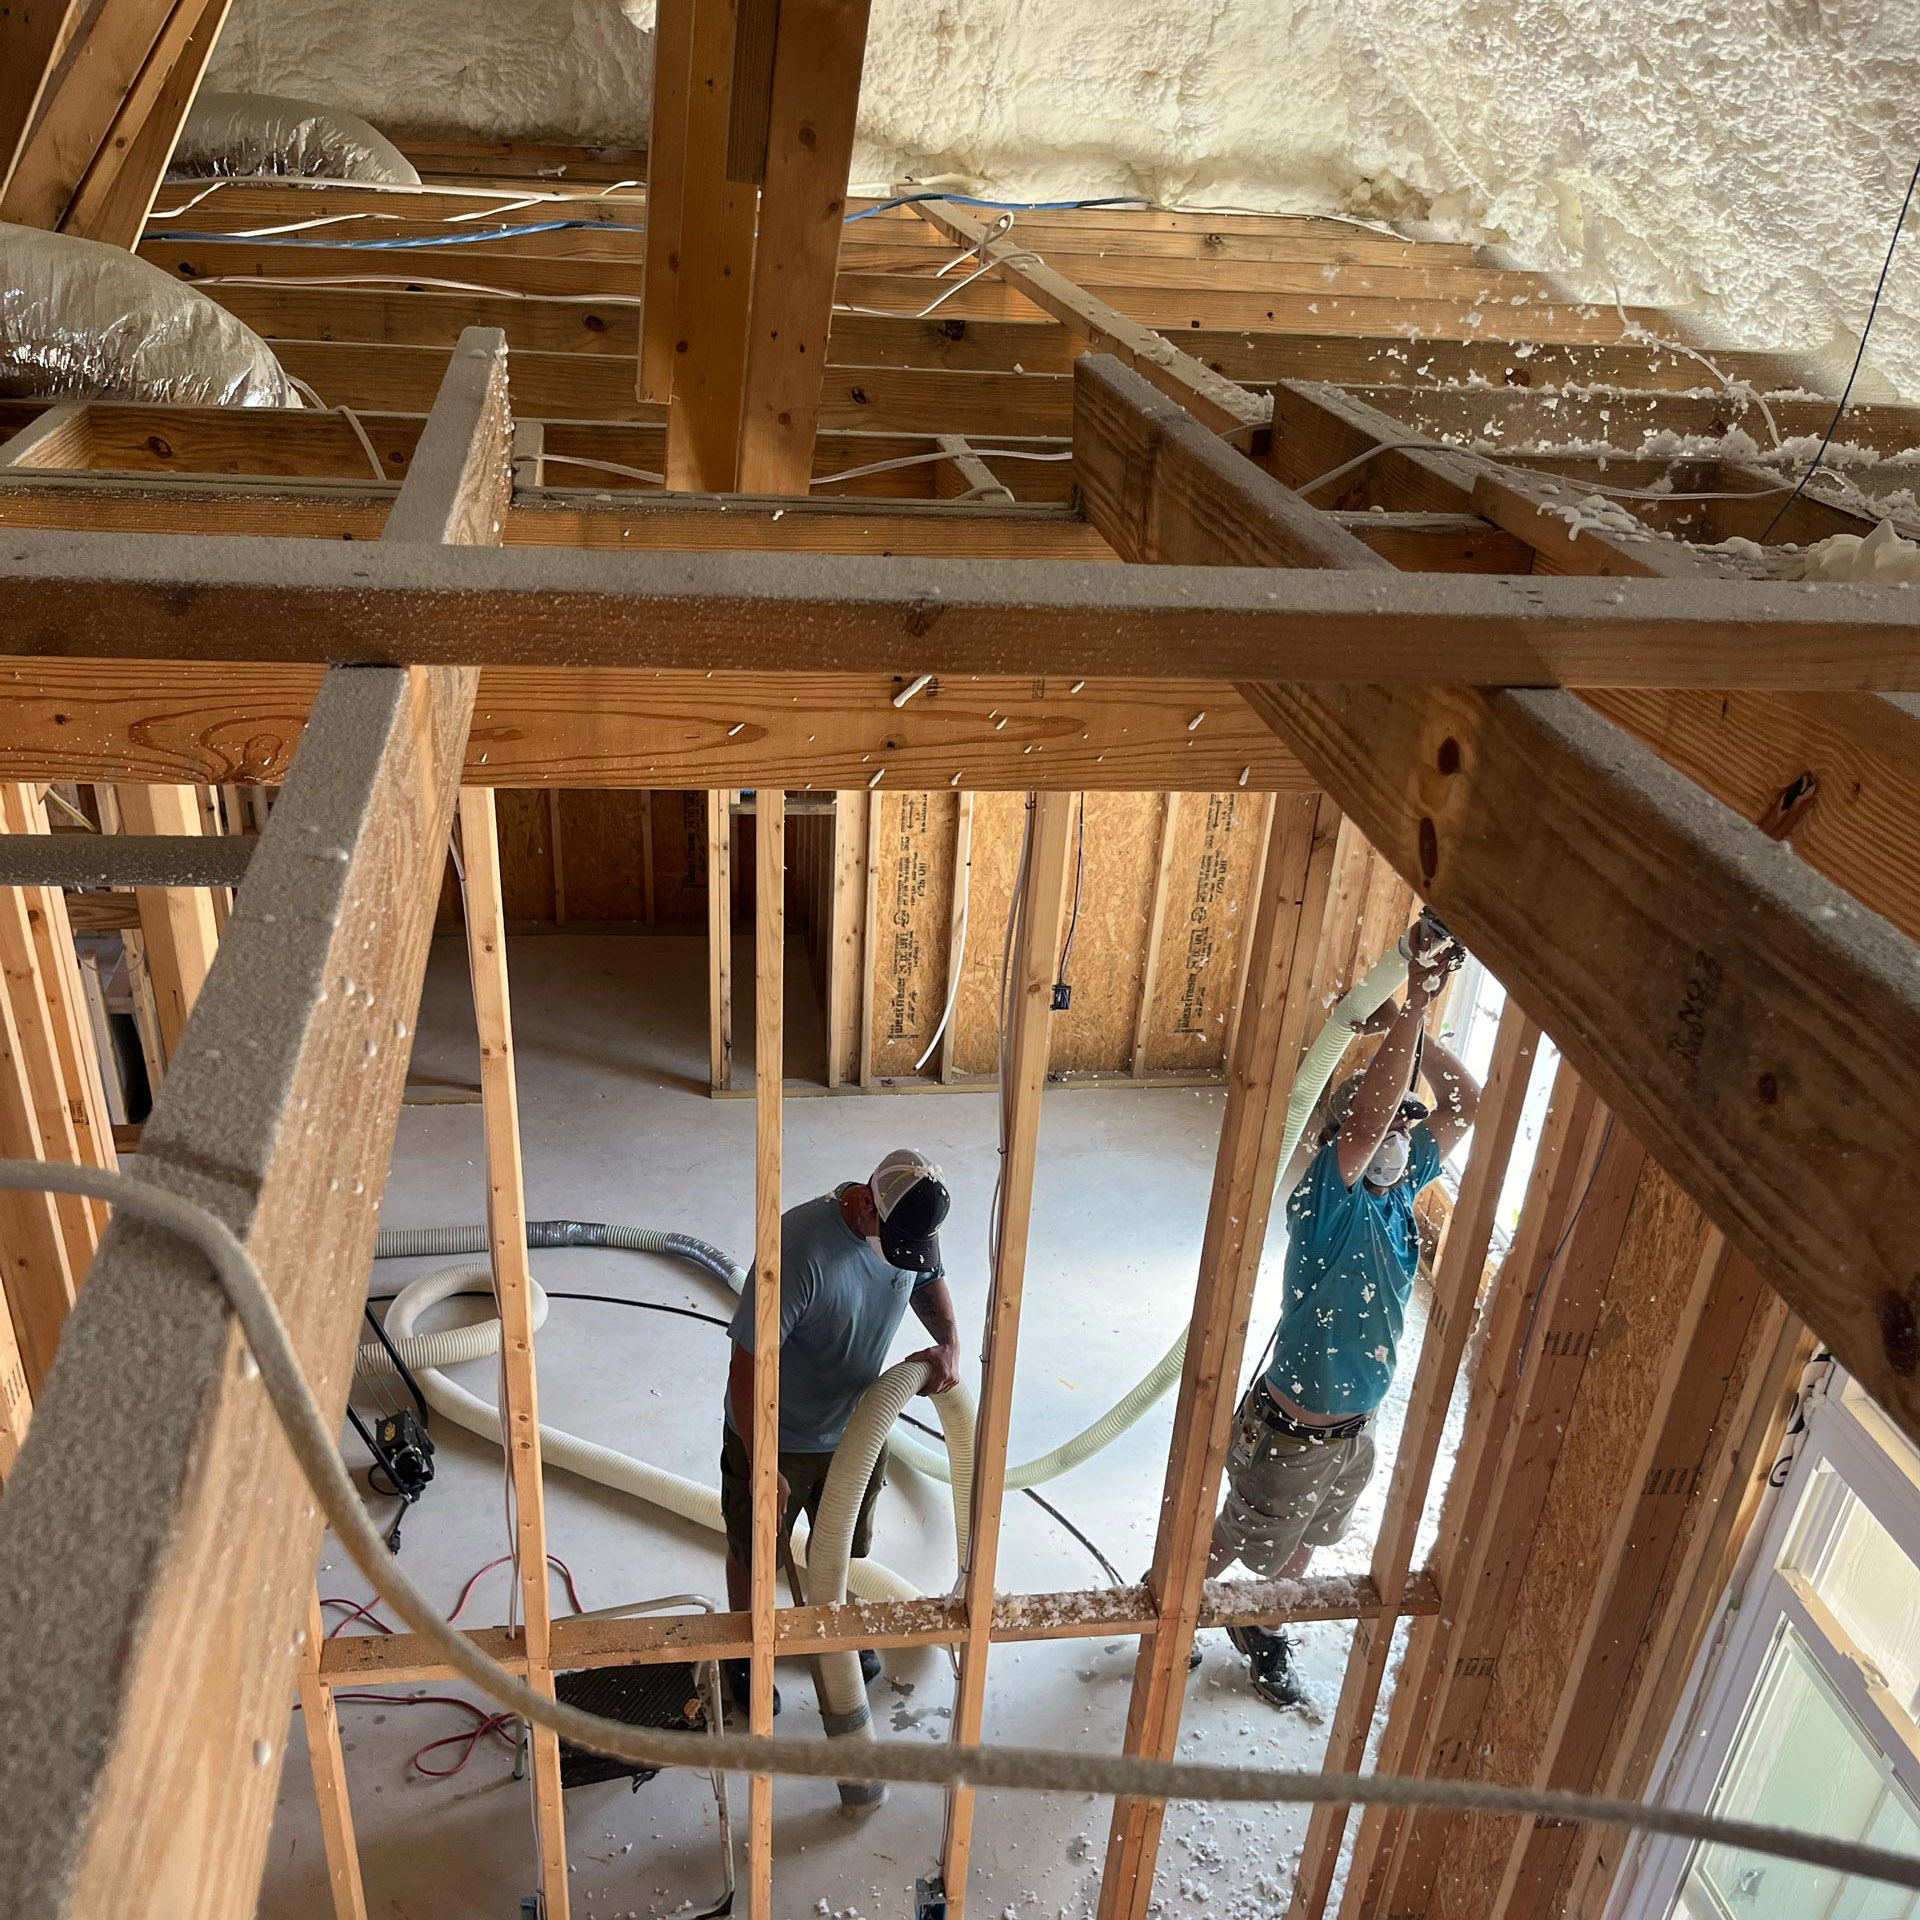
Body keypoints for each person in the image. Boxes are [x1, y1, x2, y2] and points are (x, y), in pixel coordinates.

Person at [1207, 920, 1481, 1708]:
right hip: (1289, 1435)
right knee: (1229, 1540)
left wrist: (1414, 1034)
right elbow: (1363, 1128)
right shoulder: (1329, 1197)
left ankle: (1259, 1629)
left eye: (1406, 1127)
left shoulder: (1398, 1195)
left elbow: (1470, 1104)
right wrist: (1415, 1008)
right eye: (1386, 1125)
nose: (1399, 1138)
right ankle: (1163, 1611)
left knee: (1305, 1547)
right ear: (1343, 1136)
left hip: (1352, 1433)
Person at [720, 1147, 962, 1713]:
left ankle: (835, 1630)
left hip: (855, 1430)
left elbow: (928, 1280)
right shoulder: (800, 1249)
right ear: (864, 1204)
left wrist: (949, 1338)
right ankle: (741, 1652)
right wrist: (763, 1465)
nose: (906, 1260)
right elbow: (748, 1367)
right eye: (896, 1245)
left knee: (844, 1547)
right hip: (778, 1433)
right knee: (755, 1552)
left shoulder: (908, 1226)